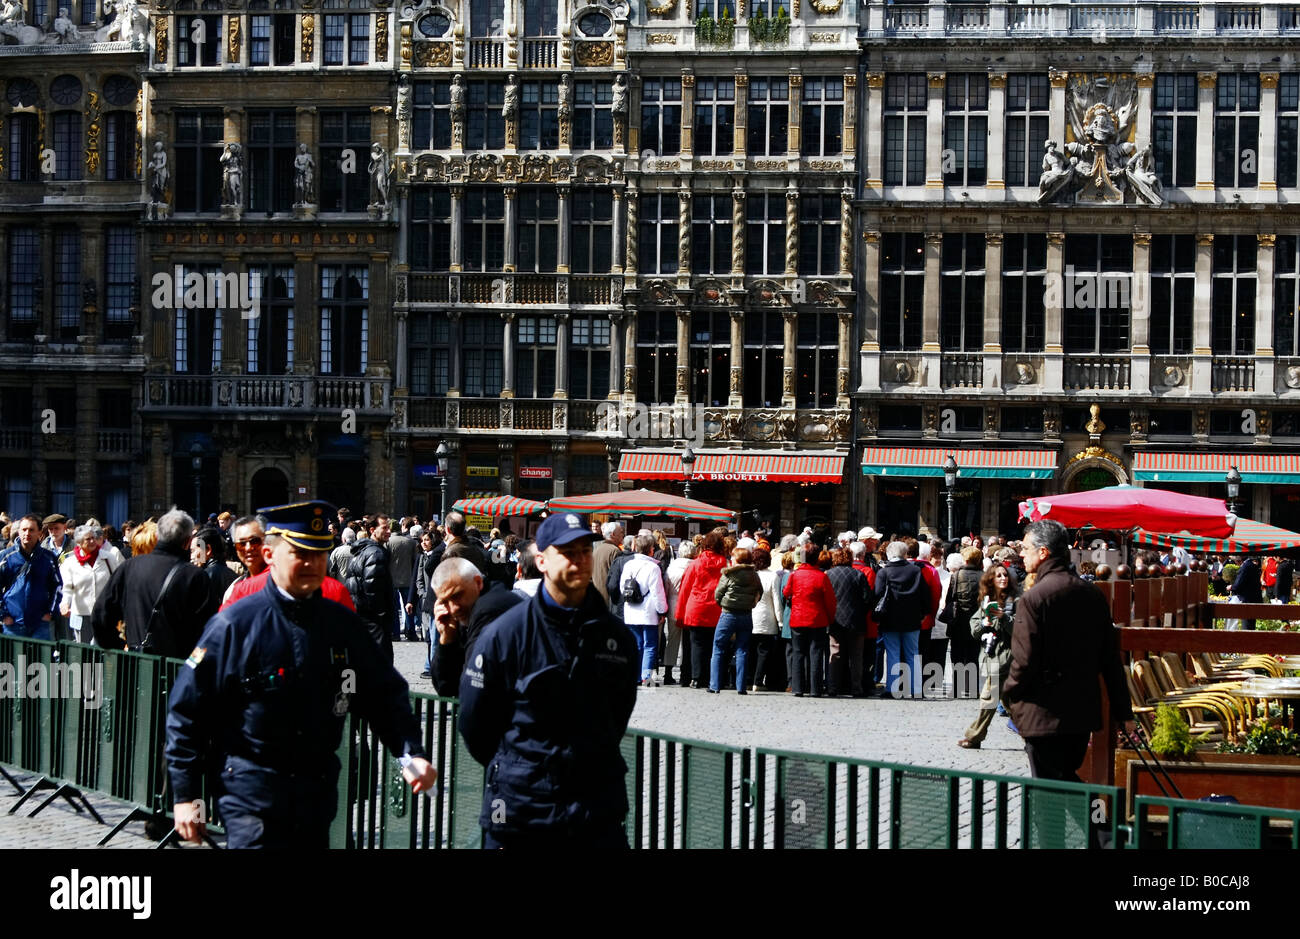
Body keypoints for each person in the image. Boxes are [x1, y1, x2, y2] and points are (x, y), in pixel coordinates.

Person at [166, 500, 437, 849]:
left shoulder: (341, 625)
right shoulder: (235, 624)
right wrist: (185, 795)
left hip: (315, 791)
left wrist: (410, 752)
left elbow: (383, 694)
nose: (312, 564)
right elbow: (187, 710)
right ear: (269, 554)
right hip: (252, 792)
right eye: (300, 553)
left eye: (320, 554)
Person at [458, 511, 638, 848]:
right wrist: (519, 765)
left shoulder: (617, 639)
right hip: (521, 809)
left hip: (593, 809)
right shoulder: (506, 633)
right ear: (541, 560)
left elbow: (618, 714)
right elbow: (474, 722)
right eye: (568, 552)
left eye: (585, 550)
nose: (580, 560)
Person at [1002, 520, 1134, 781]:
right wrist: (1123, 712)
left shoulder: (1035, 598)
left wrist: (1009, 693)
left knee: (1053, 789)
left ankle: (1099, 822)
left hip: (1042, 713)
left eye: (1026, 548)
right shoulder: (1092, 594)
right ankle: (1097, 819)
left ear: (1043, 552)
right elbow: (1110, 660)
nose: (1021, 554)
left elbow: (1023, 660)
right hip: (1081, 712)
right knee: (1064, 779)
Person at [91, 508, 216, 657]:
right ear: (188, 541)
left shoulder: (129, 566)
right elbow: (208, 630)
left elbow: (101, 614)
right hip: (176, 668)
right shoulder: (195, 576)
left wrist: (116, 646)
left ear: (158, 536)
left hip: (135, 662)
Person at [428, 556, 522, 697]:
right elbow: (446, 687)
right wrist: (447, 636)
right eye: (445, 601)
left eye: (457, 596)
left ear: (478, 583)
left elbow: (472, 683)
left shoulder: (489, 609)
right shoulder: (471, 608)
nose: (453, 608)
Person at [957, 564, 1020, 749]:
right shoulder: (987, 600)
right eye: (998, 575)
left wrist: (1004, 618)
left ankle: (974, 737)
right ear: (991, 579)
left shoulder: (1015, 600)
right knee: (1011, 703)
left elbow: (1021, 628)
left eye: (1005, 575)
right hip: (991, 655)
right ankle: (1033, 738)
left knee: (989, 698)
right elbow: (975, 629)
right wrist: (984, 622)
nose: (1003, 578)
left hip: (1006, 658)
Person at [674, 529, 729, 690]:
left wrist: (680, 614)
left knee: (696, 645)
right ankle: (713, 677)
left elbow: (685, 590)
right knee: (715, 645)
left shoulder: (695, 563)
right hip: (716, 609)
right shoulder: (725, 564)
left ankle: (696, 678)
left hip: (696, 608)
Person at [873, 540, 929, 698]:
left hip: (890, 619)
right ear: (905, 554)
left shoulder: (884, 572)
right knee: (913, 654)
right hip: (912, 619)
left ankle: (893, 688)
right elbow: (925, 594)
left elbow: (877, 594)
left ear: (889, 554)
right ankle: (916, 689)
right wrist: (924, 613)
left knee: (892, 653)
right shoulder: (915, 571)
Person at [782, 544, 837, 698]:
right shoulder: (822, 576)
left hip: (798, 618)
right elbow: (830, 601)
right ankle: (815, 689)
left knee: (798, 653)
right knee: (816, 653)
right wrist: (830, 618)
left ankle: (798, 687)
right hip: (817, 619)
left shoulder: (795, 575)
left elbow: (786, 592)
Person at [59, 521, 122, 644]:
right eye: (88, 539)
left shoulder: (109, 558)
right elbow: (67, 588)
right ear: (79, 542)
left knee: (104, 649)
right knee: (84, 652)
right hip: (81, 614)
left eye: (94, 538)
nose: (93, 542)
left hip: (104, 613)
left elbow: (118, 583)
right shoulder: (70, 563)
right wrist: (65, 604)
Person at [343, 514, 396, 660]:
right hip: (373, 620)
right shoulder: (376, 553)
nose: (389, 531)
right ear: (372, 529)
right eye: (384, 528)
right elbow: (373, 590)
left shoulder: (364, 550)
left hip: (363, 616)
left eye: (389, 528)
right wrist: (383, 616)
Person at [710, 545, 762, 694]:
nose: (730, 558)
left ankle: (714, 685)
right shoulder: (754, 575)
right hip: (746, 615)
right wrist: (752, 603)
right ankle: (741, 687)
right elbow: (760, 591)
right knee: (742, 650)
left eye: (733, 556)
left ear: (737, 559)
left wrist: (724, 604)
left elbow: (718, 594)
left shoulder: (728, 574)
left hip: (728, 614)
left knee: (718, 648)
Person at [619, 531, 668, 687]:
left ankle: (634, 675)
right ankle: (646, 675)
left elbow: (622, 589)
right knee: (650, 645)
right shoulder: (653, 567)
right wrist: (662, 611)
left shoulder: (628, 565)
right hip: (648, 612)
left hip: (631, 610)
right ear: (651, 549)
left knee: (636, 644)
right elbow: (657, 592)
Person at [0, 514, 61, 639]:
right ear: (18, 532)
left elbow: (58, 586)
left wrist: (50, 612)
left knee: (39, 658)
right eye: (24, 529)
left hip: (41, 623)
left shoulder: (48, 558)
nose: (27, 533)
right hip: (12, 623)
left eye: (31, 530)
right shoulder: (6, 557)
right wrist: (3, 615)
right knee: (14, 659)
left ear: (39, 532)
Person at [824, 547, 871, 697]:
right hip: (856, 621)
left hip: (835, 620)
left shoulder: (828, 575)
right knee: (856, 656)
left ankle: (832, 687)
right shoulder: (859, 574)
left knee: (835, 654)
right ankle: (856, 688)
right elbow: (867, 599)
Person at [944, 546, 984, 697]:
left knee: (957, 654)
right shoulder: (984, 575)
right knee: (973, 654)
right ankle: (972, 688)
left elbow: (950, 598)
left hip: (959, 619)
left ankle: (956, 687)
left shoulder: (957, 575)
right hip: (976, 620)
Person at [747, 546, 781, 692]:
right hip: (767, 618)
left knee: (750, 651)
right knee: (763, 651)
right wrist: (780, 621)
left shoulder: (749, 575)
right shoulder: (773, 576)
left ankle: (748, 680)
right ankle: (758, 681)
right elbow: (777, 600)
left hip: (750, 616)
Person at [663, 540, 694, 685]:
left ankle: (668, 672)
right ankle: (685, 674)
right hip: (689, 607)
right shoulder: (693, 567)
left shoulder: (671, 568)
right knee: (687, 642)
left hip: (673, 605)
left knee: (672, 640)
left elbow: (666, 588)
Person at [387, 523, 419, 642]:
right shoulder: (409, 542)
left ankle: (395, 633)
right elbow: (415, 560)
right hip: (407, 579)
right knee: (409, 607)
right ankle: (411, 632)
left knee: (394, 608)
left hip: (392, 579)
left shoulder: (388, 542)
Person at [192, 526, 238, 599]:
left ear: (208, 550)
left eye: (193, 551)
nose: (192, 556)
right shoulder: (233, 575)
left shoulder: (205, 577)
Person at [591, 521, 625, 605]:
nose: (622, 535)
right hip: (609, 600)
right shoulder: (614, 551)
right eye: (620, 532)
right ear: (613, 534)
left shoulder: (597, 549)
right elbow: (616, 578)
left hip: (597, 597)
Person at [1230, 555, 1263, 630]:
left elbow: (1238, 584)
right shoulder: (1252, 565)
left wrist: (1232, 587)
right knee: (1251, 624)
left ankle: (1247, 640)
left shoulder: (1245, 566)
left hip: (1247, 599)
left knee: (1247, 624)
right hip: (1254, 598)